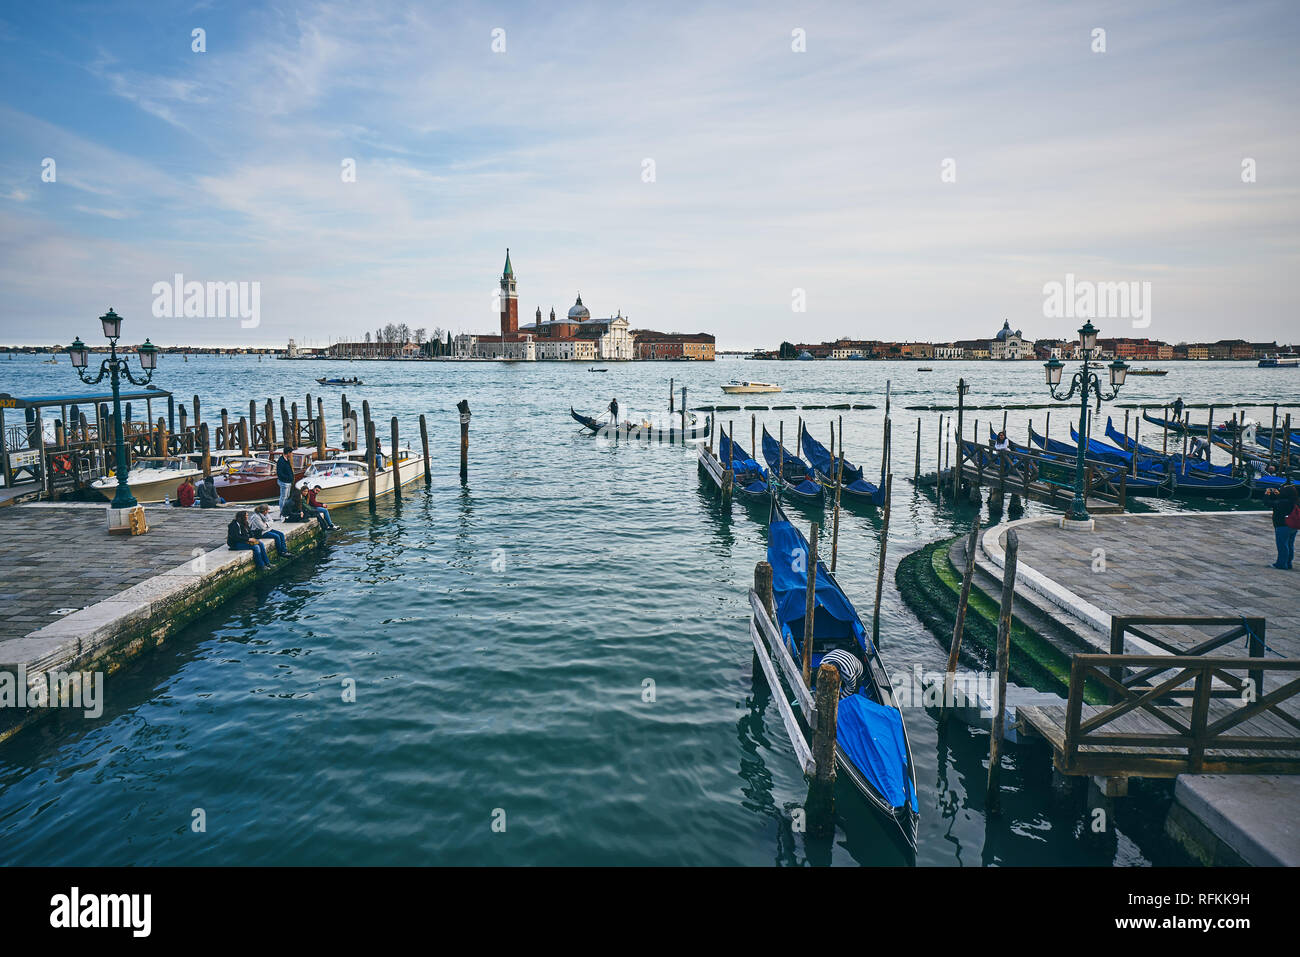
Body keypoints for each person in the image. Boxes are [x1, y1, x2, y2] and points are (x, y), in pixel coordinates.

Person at [1267, 484, 1298, 570]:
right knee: (1290, 544)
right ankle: (1288, 563)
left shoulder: (1283, 502)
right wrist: (1275, 494)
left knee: (1282, 545)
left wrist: (1267, 494)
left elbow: (1268, 503)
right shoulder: (1294, 501)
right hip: (1293, 525)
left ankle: (1281, 564)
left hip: (1283, 526)